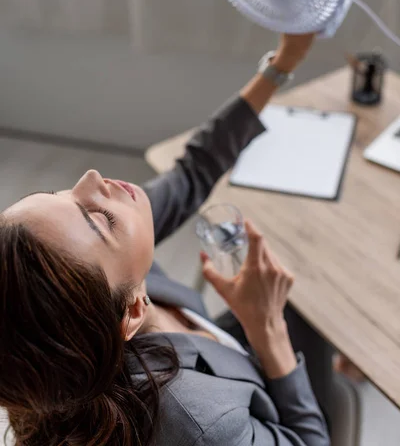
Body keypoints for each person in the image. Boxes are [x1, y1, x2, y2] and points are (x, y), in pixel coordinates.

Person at [0, 33, 331, 446]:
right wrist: (268, 332)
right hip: (273, 391)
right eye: (99, 218)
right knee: (318, 307)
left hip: (228, 355)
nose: (92, 179)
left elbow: (194, 170)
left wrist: (282, 64)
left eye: (59, 195)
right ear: (133, 310)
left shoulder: (103, 282)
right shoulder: (201, 425)